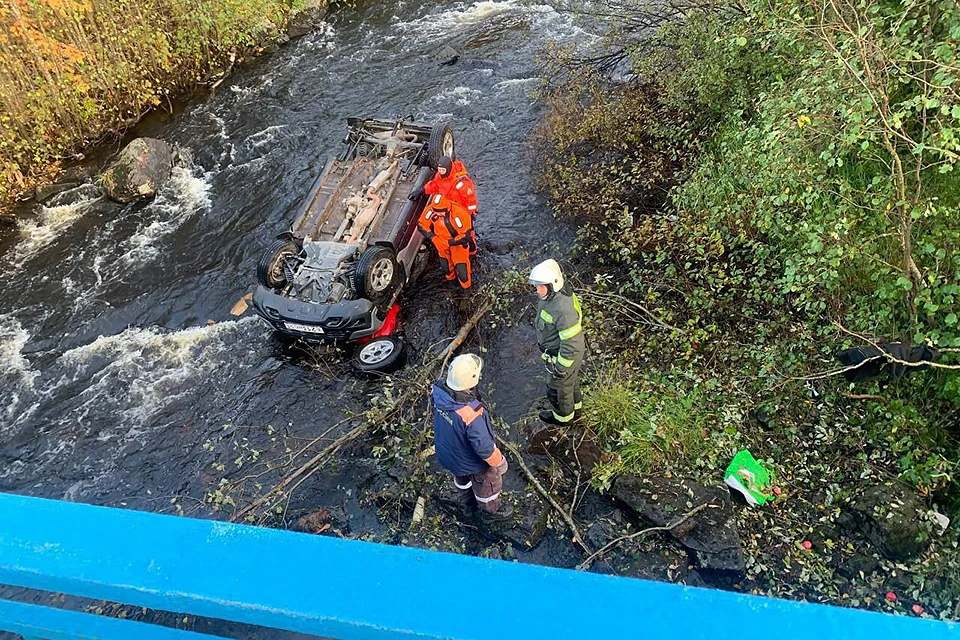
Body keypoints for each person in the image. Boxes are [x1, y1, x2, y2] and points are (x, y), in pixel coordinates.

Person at [432, 353, 513, 523]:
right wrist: (499, 462)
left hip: (448, 456)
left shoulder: (439, 392)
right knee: (488, 484)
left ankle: (468, 504)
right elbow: (484, 447)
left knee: (461, 479)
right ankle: (490, 512)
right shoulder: (471, 415)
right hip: (472, 463)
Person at [529, 259, 585, 424]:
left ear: (553, 284)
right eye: (537, 286)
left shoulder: (563, 309)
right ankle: (577, 410)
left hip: (564, 358)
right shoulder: (553, 297)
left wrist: (561, 368)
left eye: (541, 286)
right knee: (570, 384)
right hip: (559, 354)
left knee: (558, 390)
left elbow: (572, 344)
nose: (537, 290)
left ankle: (563, 420)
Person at [416, 193, 475, 288]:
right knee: (446, 268)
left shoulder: (459, 213)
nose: (438, 214)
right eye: (436, 212)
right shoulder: (432, 210)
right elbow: (421, 224)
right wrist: (433, 238)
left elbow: (465, 235)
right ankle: (454, 288)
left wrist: (449, 242)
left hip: (457, 244)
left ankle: (467, 289)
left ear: (446, 209)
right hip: (440, 243)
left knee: (462, 272)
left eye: (440, 212)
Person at [409, 155, 479, 221]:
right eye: (439, 170)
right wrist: (422, 191)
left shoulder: (462, 182)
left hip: (459, 209)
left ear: (448, 169)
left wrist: (471, 213)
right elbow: (435, 185)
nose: (441, 172)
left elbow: (470, 199)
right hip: (447, 208)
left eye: (443, 170)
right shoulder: (439, 176)